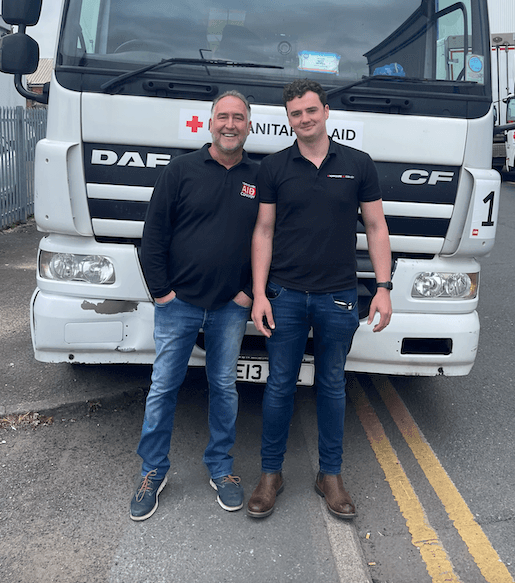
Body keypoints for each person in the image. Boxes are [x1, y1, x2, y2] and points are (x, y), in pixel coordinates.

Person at [247, 79, 392, 520]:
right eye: (295, 113)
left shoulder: (358, 164)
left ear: (326, 112)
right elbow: (263, 232)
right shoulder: (273, 167)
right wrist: (258, 294)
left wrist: (383, 287)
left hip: (338, 297)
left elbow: (376, 228)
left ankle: (330, 475)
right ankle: (271, 475)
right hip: (285, 295)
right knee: (278, 386)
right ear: (287, 119)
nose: (304, 119)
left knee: (331, 386)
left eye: (311, 110)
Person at [130, 90, 259, 521]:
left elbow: (268, 242)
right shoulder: (180, 171)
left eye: (237, 118)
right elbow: (154, 238)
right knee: (163, 387)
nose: (230, 124)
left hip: (230, 307)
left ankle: (221, 469)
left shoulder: (259, 179)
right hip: (178, 304)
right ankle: (153, 471)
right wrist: (162, 293)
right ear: (210, 123)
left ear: (248, 125)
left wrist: (247, 293)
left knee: (224, 387)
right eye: (223, 116)